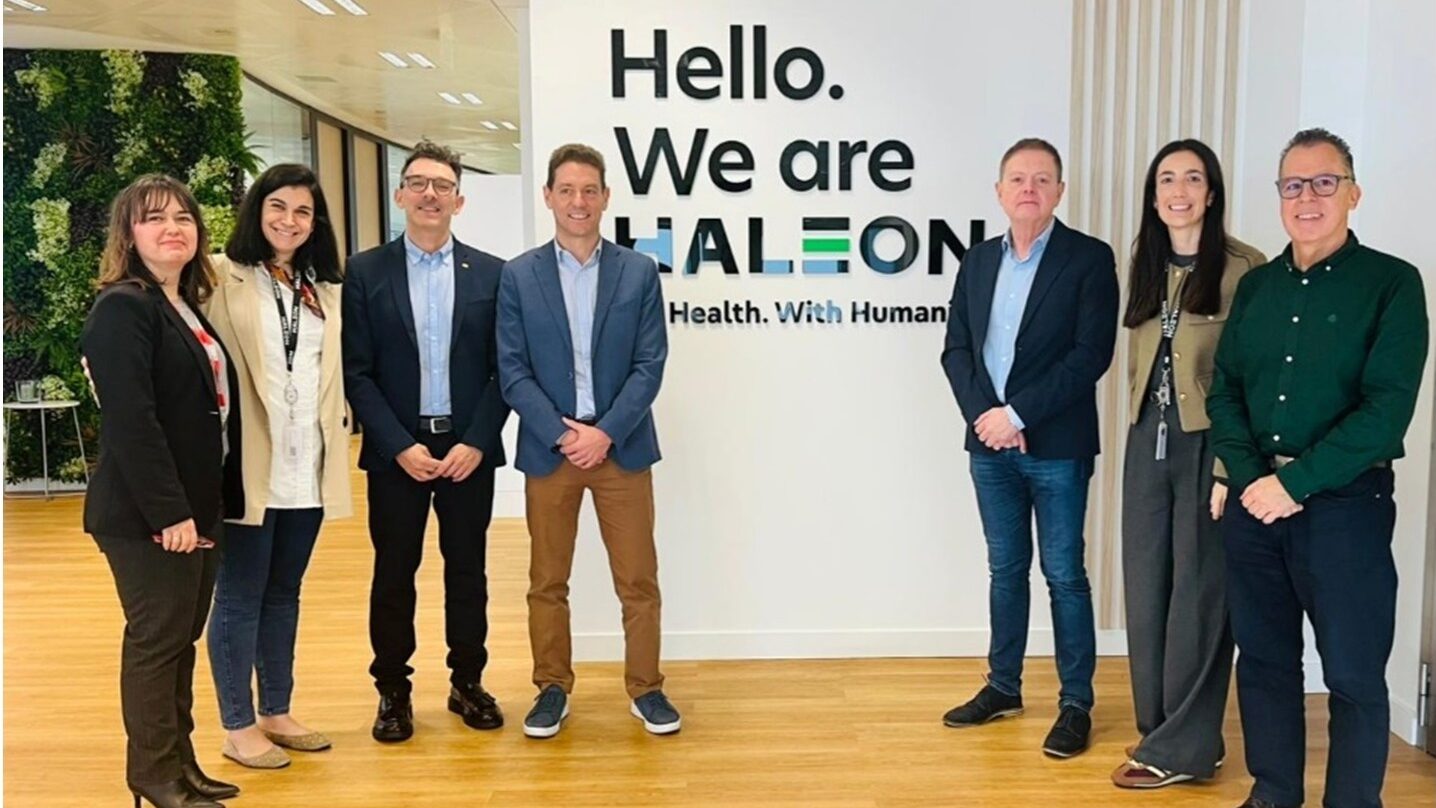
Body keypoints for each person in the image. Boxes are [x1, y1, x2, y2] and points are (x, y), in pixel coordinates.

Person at [1208, 128, 1428, 808]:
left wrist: (1293, 484)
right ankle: (1274, 792)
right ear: (1280, 196)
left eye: (1324, 182)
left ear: (1353, 194)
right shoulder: (1257, 288)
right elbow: (1225, 392)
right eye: (1293, 185)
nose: (1308, 197)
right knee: (1264, 662)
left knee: (1354, 675)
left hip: (1346, 509)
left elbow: (1385, 412)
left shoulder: (1393, 283)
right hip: (1255, 507)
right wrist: (1252, 479)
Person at [939, 137, 1118, 758]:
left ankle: (1076, 704)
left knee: (1064, 574)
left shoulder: (1089, 258)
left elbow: (1090, 355)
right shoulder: (977, 262)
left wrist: (1017, 414)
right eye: (1017, 179)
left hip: (1058, 445)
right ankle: (1003, 687)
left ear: (1060, 191)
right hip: (989, 447)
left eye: (1042, 179)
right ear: (999, 191)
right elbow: (956, 350)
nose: (1029, 189)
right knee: (1005, 569)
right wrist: (988, 419)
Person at [497, 143, 678, 738]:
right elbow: (512, 369)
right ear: (548, 196)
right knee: (547, 581)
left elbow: (650, 364)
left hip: (620, 449)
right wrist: (562, 433)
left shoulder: (638, 271)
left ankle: (646, 688)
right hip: (550, 452)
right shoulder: (519, 275)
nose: (579, 201)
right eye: (567, 190)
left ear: (605, 198)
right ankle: (552, 687)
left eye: (590, 190)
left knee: (638, 580)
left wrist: (604, 433)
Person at [82, 174, 244, 808]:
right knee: (156, 643)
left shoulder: (181, 304)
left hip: (194, 508)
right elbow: (132, 421)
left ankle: (181, 764)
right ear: (129, 234)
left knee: (180, 642)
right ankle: (152, 776)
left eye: (182, 217)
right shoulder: (123, 307)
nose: (172, 228)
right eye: (154, 218)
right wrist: (170, 513)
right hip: (148, 516)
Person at [342, 140, 510, 742]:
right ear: (400, 195)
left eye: (442, 185)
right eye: (418, 183)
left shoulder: (493, 273)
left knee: (468, 572)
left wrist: (478, 441)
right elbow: (356, 372)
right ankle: (393, 691)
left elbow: (505, 370)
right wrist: (397, 445)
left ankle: (468, 682)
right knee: (394, 574)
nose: (430, 194)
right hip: (399, 452)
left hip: (467, 450)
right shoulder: (366, 272)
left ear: (459, 201)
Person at [1112, 140, 1265, 789]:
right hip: (1147, 440)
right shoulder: (1145, 260)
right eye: (1167, 180)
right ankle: (1164, 731)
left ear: (1212, 193)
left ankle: (1184, 748)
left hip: (1209, 444)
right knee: (1147, 587)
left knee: (1200, 594)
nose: (1179, 191)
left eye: (1192, 179)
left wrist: (1232, 467)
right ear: (1154, 198)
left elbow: (1253, 376)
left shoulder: (1245, 268)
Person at [203, 164, 351, 768]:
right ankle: (238, 725)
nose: (290, 221)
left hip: (307, 463)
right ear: (257, 210)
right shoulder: (218, 274)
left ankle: (276, 710)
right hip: (245, 463)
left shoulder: (323, 289)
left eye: (303, 212)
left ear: (316, 224)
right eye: (278, 207)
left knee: (284, 592)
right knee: (239, 594)